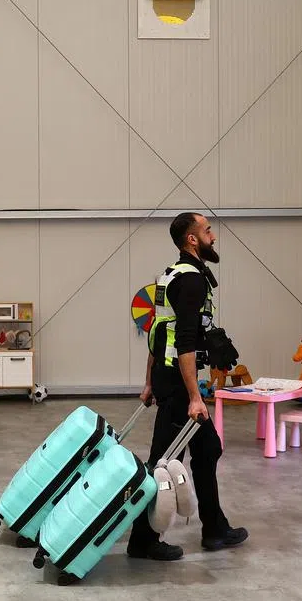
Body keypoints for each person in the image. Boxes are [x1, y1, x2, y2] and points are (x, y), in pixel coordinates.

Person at [127, 212, 248, 561]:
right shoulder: (192, 280)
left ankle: (215, 528)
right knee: (163, 463)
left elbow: (157, 332)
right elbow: (183, 342)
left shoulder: (171, 275)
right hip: (180, 386)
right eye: (208, 231)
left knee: (208, 449)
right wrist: (195, 397)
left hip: (169, 379)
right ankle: (142, 541)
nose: (214, 236)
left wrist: (149, 382)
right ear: (192, 240)